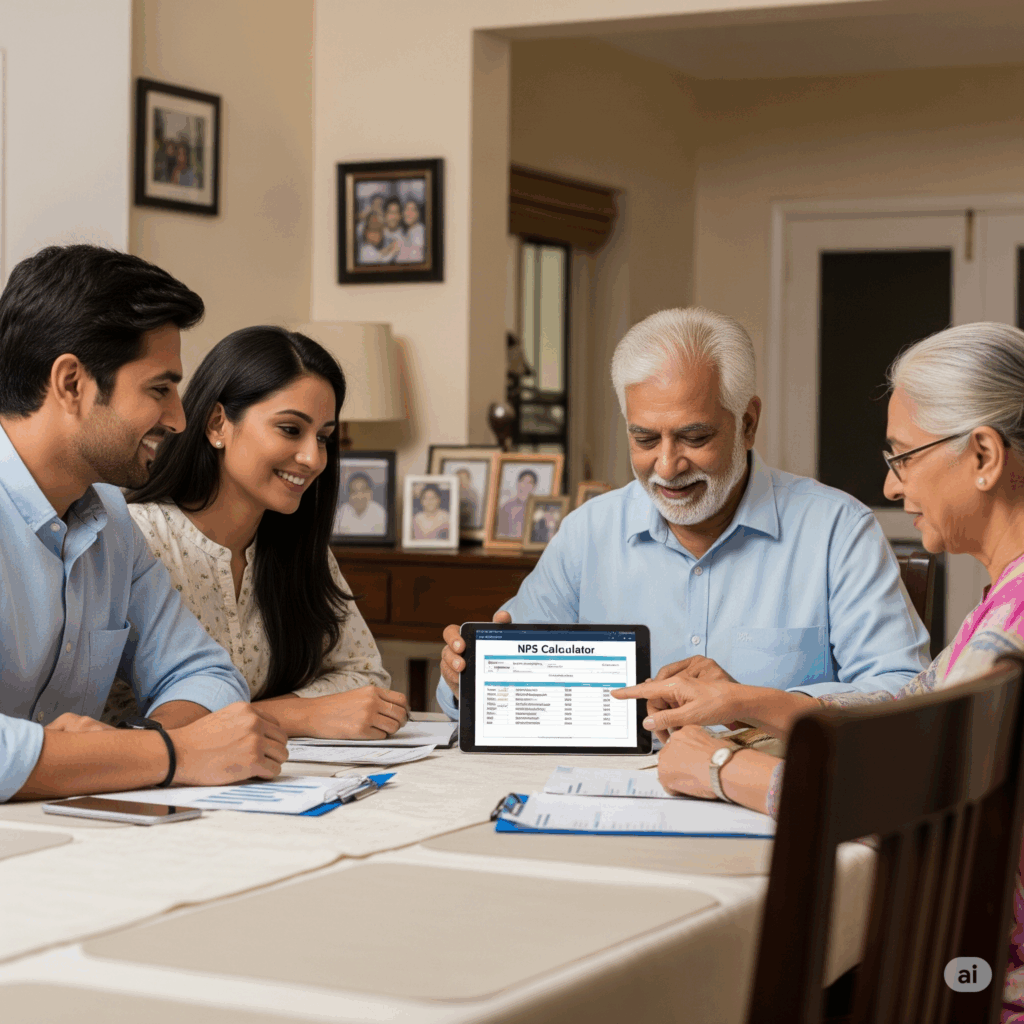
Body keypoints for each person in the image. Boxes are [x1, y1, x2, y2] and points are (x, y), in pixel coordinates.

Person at [614, 321, 1024, 1019]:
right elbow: (906, 718)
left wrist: (718, 771)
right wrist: (748, 700)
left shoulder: (1008, 634)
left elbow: (909, 807)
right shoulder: (1003, 604)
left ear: (982, 454)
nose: (893, 487)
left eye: (903, 458)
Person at [435, 306, 930, 719]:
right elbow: (494, 688)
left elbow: (904, 693)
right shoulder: (588, 532)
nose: (667, 467)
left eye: (695, 437)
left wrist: (752, 705)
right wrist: (466, 677)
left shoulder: (836, 531)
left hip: (762, 799)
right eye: (645, 438)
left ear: (748, 423)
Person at [0, 244, 289, 803]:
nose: (179, 418)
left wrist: (127, 748)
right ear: (71, 383)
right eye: (159, 388)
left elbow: (205, 674)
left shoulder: (111, 521)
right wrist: (169, 755)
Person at [104, 326, 406, 740]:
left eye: (323, 437)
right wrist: (300, 715)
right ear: (217, 424)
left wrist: (272, 716)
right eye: (290, 429)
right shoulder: (135, 538)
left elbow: (365, 677)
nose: (313, 457)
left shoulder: (300, 548)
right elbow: (129, 722)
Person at [496, 469, 537, 539]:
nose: (525, 485)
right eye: (523, 481)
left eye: (529, 482)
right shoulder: (507, 507)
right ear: (518, 483)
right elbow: (501, 532)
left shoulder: (537, 507)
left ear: (534, 486)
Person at [397, 199, 425, 264]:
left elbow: (415, 260)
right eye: (406, 209)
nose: (408, 213)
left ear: (418, 214)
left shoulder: (419, 232)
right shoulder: (408, 232)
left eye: (412, 210)